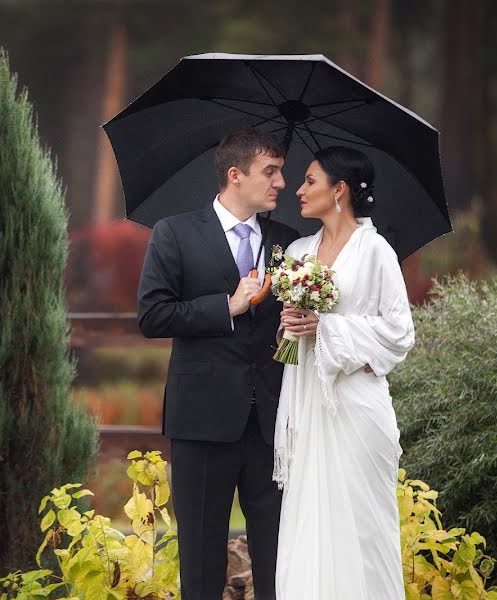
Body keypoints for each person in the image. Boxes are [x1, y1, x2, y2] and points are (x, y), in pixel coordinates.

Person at [137, 129, 300, 600]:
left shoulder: (287, 242)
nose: (281, 183)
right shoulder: (175, 233)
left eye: (282, 172)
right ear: (235, 175)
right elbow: (152, 315)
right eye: (271, 171)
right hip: (202, 421)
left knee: (278, 555)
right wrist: (226, 307)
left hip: (272, 423)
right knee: (203, 557)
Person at [274, 146, 415, 599]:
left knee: (363, 525)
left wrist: (328, 328)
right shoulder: (298, 251)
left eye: (309, 181)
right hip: (307, 404)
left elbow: (399, 333)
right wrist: (291, 325)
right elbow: (290, 344)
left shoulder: (376, 252)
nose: (298, 189)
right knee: (310, 521)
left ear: (339, 191)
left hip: (355, 406)